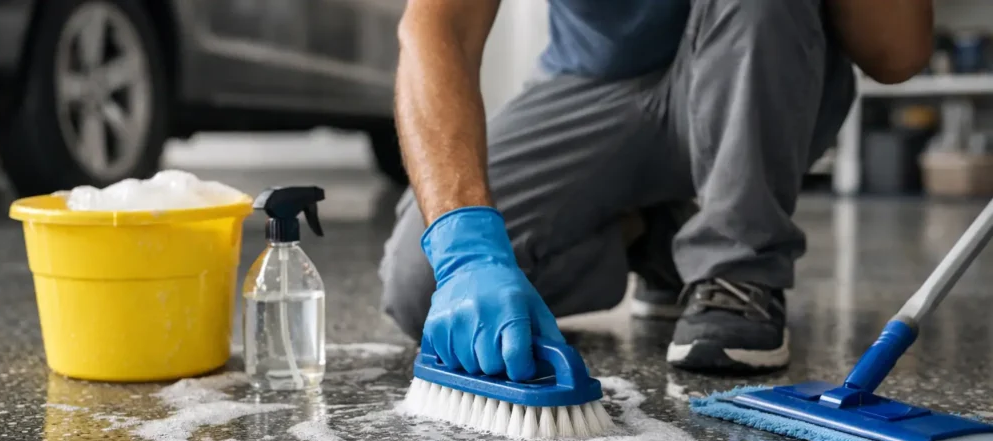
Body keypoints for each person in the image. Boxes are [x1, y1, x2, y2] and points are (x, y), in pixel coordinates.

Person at [379, 0, 933, 378]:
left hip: (758, 75)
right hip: (594, 86)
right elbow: (439, 27)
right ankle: (659, 235)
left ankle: (737, 266)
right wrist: (467, 247)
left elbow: (896, 54)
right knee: (421, 286)